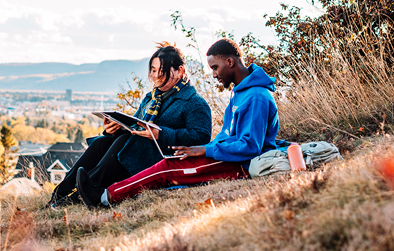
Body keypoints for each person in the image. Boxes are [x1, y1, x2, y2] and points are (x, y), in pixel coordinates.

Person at [76, 38, 279, 208]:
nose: (214, 74)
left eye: (215, 68)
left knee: (167, 168)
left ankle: (104, 197)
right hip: (224, 153)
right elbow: (230, 136)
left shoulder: (256, 97)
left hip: (239, 164)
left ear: (230, 61)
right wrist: (205, 149)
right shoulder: (241, 93)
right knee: (169, 162)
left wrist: (205, 150)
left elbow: (251, 147)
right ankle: (81, 192)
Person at [44, 43, 212, 208]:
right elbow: (136, 126)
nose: (155, 76)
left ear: (180, 70)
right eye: (153, 70)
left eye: (161, 71)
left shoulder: (195, 103)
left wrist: (160, 134)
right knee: (100, 143)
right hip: (137, 153)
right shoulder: (151, 98)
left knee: (126, 142)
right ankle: (59, 195)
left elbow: (201, 138)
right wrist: (113, 129)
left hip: (158, 159)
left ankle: (84, 193)